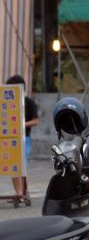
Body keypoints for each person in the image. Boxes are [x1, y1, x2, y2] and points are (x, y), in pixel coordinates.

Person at [6, 75, 38, 204]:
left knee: (21, 165)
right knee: (13, 165)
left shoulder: (29, 102)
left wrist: (21, 124)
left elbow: (36, 121)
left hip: (25, 138)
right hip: (10, 137)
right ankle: (19, 193)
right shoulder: (7, 103)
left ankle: (22, 193)